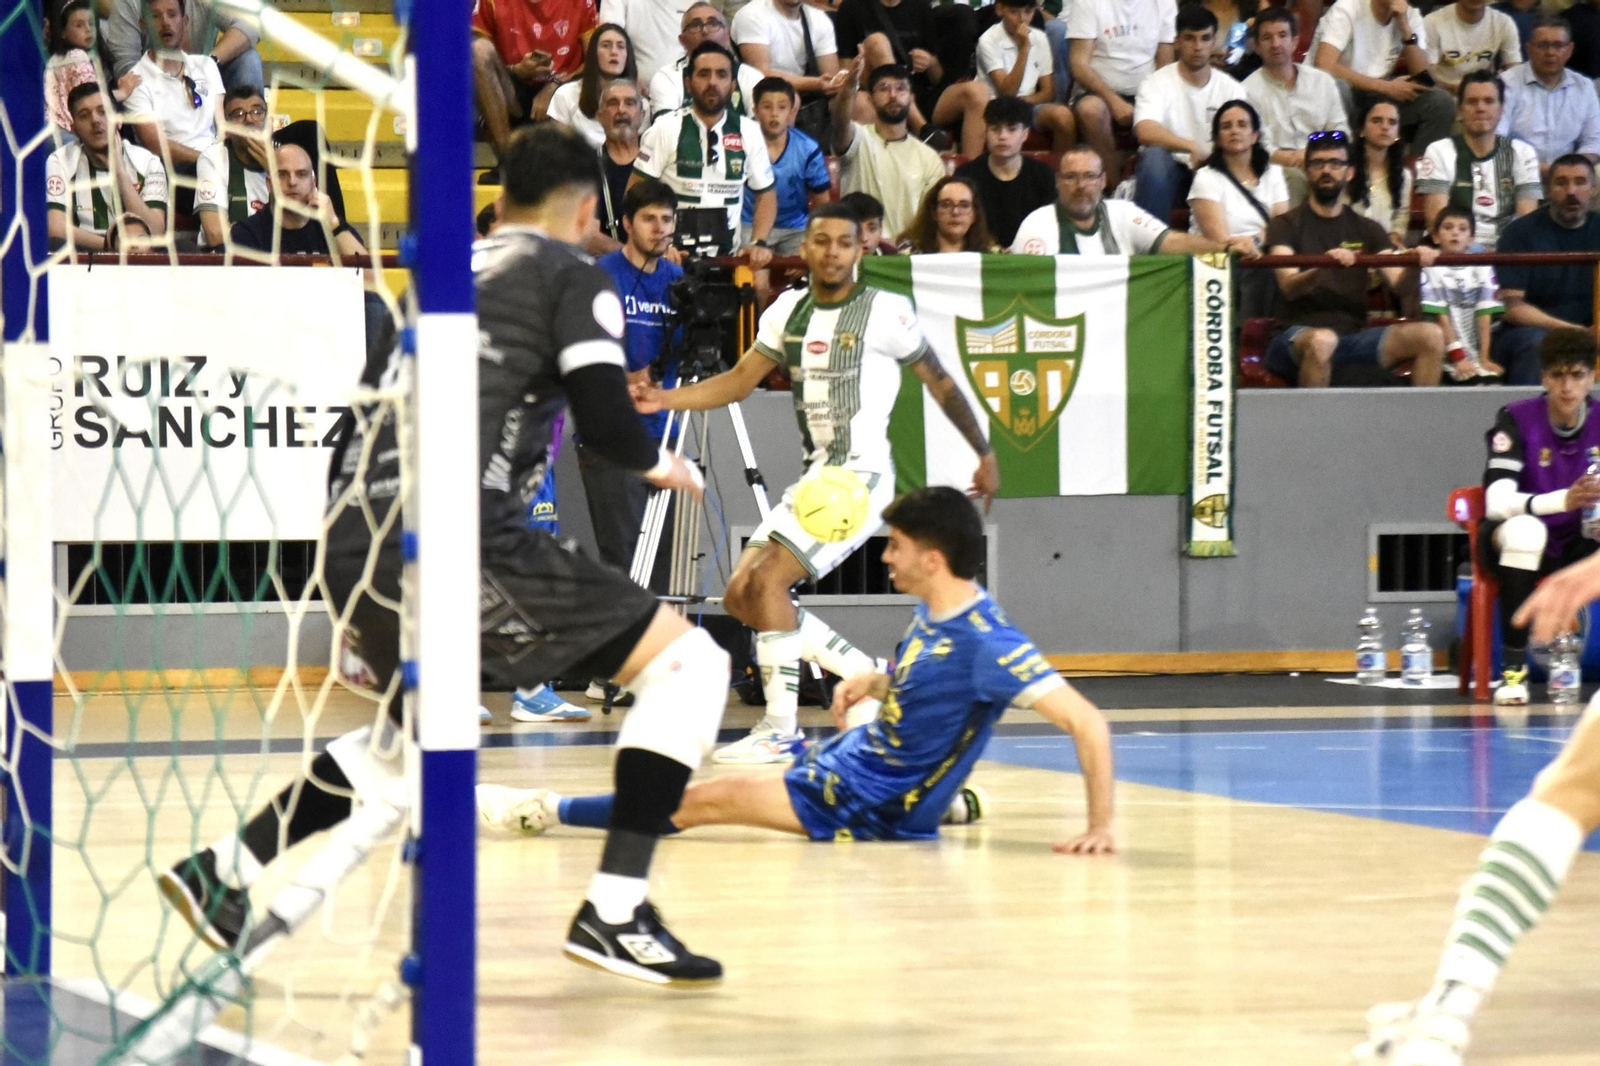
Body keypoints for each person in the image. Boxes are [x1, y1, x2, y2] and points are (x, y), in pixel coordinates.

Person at [160, 124, 729, 987]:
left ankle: (226, 870)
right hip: (459, 534)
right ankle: (615, 910)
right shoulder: (573, 273)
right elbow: (609, 426)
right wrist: (665, 461)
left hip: (355, 538)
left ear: (498, 206)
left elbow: (354, 424)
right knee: (691, 665)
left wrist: (356, 577)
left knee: (405, 744)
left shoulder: (436, 283)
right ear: (587, 214)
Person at [479, 486, 1119, 854]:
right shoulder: (937, 611)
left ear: (931, 557)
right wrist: (872, 682)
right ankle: (947, 803)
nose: (886, 557)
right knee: (741, 780)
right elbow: (934, 681)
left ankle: (541, 811)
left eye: (895, 546)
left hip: (872, 803)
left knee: (699, 800)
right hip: (861, 760)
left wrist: (1101, 826)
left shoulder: (990, 642)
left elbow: (1088, 724)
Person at [631, 202, 1002, 764]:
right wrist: (664, 397)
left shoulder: (885, 311)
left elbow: (943, 384)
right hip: (816, 480)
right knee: (740, 595)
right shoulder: (787, 311)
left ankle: (781, 728)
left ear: (861, 250)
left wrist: (983, 451)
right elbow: (736, 382)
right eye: (821, 241)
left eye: (843, 243)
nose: (831, 252)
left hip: (861, 481)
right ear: (804, 248)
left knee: (771, 585)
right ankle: (864, 671)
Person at [1350, 328, 1600, 1066]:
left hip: (1577, 543)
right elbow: (1495, 502)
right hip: (1531, 532)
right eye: (1557, 374)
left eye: (1577, 374)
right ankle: (1516, 666)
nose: (1566, 385)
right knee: (1564, 791)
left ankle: (1447, 1016)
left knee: (1561, 798)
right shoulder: (1515, 420)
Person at [1263, 131, 1446, 387]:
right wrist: (1322, 267)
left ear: (1350, 173)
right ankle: (1311, 427)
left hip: (1353, 337)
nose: (1327, 170)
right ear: (1307, 171)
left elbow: (1400, 286)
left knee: (1431, 335)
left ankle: (1421, 426)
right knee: (1323, 340)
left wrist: (1416, 263)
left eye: (1335, 164)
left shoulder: (1368, 228)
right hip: (1294, 336)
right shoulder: (1285, 224)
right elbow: (1288, 286)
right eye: (1318, 163)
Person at [589, 180, 686, 582]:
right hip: (613, 435)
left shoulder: (680, 281)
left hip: (666, 434)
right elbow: (584, 350)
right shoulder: (600, 275)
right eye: (649, 219)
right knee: (626, 567)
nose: (659, 228)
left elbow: (686, 352)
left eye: (667, 219)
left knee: (667, 570)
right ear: (627, 223)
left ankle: (662, 646)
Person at [631, 41, 778, 261]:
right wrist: (658, 243)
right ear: (688, 84)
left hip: (726, 259)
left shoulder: (749, 131)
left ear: (733, 85)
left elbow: (766, 194)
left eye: (721, 75)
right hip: (669, 257)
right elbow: (635, 193)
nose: (713, 82)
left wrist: (758, 242)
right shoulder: (665, 128)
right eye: (703, 74)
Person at [1011, 144, 1261, 255]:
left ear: (1102, 181)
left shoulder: (1123, 213)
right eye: (1071, 177)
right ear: (1058, 181)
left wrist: (1223, 248)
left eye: (1089, 177)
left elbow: (1171, 242)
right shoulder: (1037, 224)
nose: (1081, 186)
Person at [1132, 4, 1248, 224]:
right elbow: (1145, 130)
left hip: (1216, 168)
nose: (1198, 46)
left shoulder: (1232, 89)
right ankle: (1149, 247)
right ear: (1176, 42)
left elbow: (1244, 137)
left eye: (1205, 38)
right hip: (1172, 170)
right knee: (1154, 157)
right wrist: (1191, 146)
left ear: (1214, 43)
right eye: (1190, 38)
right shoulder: (1156, 82)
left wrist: (1209, 159)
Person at [1493, 155, 1600, 385]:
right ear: (1548, 190)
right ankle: (1526, 418)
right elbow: (1512, 308)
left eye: (1580, 182)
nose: (1571, 191)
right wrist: (1573, 332)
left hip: (1592, 329)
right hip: (1529, 331)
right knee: (1536, 342)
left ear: (1593, 189)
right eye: (1561, 183)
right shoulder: (1519, 233)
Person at [932, 0, 1076, 159]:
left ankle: (1061, 173)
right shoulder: (988, 40)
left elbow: (1048, 91)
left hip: (1027, 105)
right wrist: (1024, 49)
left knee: (1063, 116)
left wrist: (1023, 102)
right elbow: (1007, 91)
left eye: (1028, 12)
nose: (1021, 19)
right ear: (1000, 9)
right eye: (1014, 12)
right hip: (994, 105)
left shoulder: (1040, 38)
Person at [1416, 71, 1541, 251]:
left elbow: (1526, 221)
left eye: (1489, 101)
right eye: (1472, 102)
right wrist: (1477, 252)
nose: (1481, 108)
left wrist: (1499, 253)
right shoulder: (1439, 151)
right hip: (1455, 252)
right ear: (1459, 111)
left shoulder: (1522, 152)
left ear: (1501, 111)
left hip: (1506, 253)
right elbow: (1437, 220)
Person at [1311, 0, 1454, 154]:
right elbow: (1325, 65)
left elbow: (1425, 79)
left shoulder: (1410, 16)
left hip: (1378, 95)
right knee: (1339, 88)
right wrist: (1387, 87)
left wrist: (1405, 29)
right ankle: (1344, 162)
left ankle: (1419, 171)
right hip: (1341, 93)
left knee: (1440, 102)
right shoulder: (1348, 7)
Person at [122, 0, 224, 212]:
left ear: (184, 21)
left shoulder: (207, 66)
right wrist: (206, 160)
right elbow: (156, 143)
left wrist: (226, 156)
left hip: (216, 158)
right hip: (176, 169)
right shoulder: (136, 80)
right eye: (156, 16)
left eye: (172, 14)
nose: (165, 23)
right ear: (143, 24)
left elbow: (221, 125)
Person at [1189, 100, 1288, 316]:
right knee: (1260, 269)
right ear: (1217, 138)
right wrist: (1251, 245)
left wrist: (1253, 242)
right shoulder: (1206, 177)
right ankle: (1249, 339)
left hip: (1261, 253)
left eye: (1242, 125)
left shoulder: (1273, 173)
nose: (1235, 131)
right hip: (1220, 262)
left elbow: (1282, 226)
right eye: (1226, 126)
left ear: (1255, 135)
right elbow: (1218, 239)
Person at [830, 58, 947, 242]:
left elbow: (932, 218)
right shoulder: (858, 139)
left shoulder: (929, 158)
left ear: (911, 98)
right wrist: (849, 88)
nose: (893, 95)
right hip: (860, 250)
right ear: (870, 99)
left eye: (901, 89)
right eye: (884, 88)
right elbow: (840, 124)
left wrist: (897, 245)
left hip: (905, 255)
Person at [471, 0, 599, 167]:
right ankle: (508, 161)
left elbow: (596, 59)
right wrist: (516, 70)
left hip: (564, 88)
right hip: (512, 91)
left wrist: (555, 85)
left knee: (579, 85)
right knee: (478, 49)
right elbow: (473, 59)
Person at [1244, 6, 1349, 205]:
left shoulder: (1322, 82)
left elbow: (1340, 131)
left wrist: (1316, 152)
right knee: (1293, 178)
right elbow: (1257, 145)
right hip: (1278, 165)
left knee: (1347, 175)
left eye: (1282, 35)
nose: (1276, 44)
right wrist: (1291, 158)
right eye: (1267, 38)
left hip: (1322, 156)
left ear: (1295, 42)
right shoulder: (1246, 91)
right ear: (1257, 46)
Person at [46, 83, 168, 250]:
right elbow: (56, 229)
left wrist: (120, 173)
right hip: (86, 254)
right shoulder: (60, 161)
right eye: (84, 115)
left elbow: (155, 232)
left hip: (139, 256)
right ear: (74, 129)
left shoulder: (148, 162)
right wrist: (112, 245)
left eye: (103, 112)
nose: (95, 120)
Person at [1067, 0, 1177, 182]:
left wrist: (1150, 102)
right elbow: (1078, 64)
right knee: (1091, 110)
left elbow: (1165, 64)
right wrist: (1114, 101)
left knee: (1175, 109)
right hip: (1097, 91)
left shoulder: (1164, 3)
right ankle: (1113, 188)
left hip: (1146, 90)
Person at [1497, 17, 1600, 178]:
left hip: (1570, 175)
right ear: (1529, 49)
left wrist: (1569, 170)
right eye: (1543, 45)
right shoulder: (1506, 84)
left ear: (1570, 50)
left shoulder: (1584, 87)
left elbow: (1593, 142)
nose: (1550, 52)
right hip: (1518, 172)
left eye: (1558, 45)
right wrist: (1542, 170)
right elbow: (1497, 140)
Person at [228, 142, 366, 261]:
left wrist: (334, 225)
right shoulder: (246, 234)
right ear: (269, 184)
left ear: (313, 183)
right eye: (282, 174)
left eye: (302, 174)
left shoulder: (333, 229)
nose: (292, 182)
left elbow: (370, 281)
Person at [953, 95, 1058, 249]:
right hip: (980, 257)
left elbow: (1050, 225)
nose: (1002, 136)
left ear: (1025, 134)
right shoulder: (966, 174)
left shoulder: (1043, 175)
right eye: (995, 129)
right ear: (986, 131)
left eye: (1012, 129)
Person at [833, 0, 943, 140]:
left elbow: (937, 78)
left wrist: (930, 62)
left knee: (974, 93)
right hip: (872, 86)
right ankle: (921, 127)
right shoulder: (852, 6)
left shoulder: (921, 6)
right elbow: (846, 72)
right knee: (876, 42)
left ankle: (975, 161)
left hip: (918, 90)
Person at [1421, 204, 1505, 382]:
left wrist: (1484, 358)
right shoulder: (1431, 269)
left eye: (1462, 229)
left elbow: (1485, 315)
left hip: (1473, 354)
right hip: (1446, 357)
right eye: (1448, 227)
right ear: (1435, 236)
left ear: (1471, 239)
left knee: (1492, 382)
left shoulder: (1483, 267)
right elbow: (1440, 317)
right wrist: (1458, 357)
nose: (1455, 233)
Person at [106, 0, 261, 92]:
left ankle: (251, 139)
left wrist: (208, 63)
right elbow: (126, 68)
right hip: (152, 85)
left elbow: (251, 23)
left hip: (204, 78)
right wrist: (172, 87)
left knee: (248, 59)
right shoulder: (127, 3)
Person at [648, 3, 764, 121]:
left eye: (713, 24)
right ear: (683, 41)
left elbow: (761, 132)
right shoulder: (667, 77)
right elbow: (664, 130)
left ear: (727, 36)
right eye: (695, 25)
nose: (705, 31)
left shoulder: (750, 76)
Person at [46, 0, 137, 136]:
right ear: (63, 32)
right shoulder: (77, 56)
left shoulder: (57, 58)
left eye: (91, 24)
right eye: (79, 25)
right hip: (65, 133)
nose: (88, 29)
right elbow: (90, 99)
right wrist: (123, 92)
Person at [195, 84, 269, 248]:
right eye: (238, 114)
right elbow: (215, 235)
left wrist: (275, 172)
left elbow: (302, 227)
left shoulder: (290, 159)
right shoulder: (214, 158)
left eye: (258, 112)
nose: (249, 119)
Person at [548, 24, 637, 149]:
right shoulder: (565, 95)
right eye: (606, 45)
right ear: (593, 53)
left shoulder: (639, 104)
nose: (614, 52)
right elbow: (557, 152)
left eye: (621, 47)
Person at [732, 0, 844, 97]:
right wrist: (815, 84)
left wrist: (846, 80)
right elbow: (760, 75)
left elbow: (831, 78)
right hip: (762, 97)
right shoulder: (752, 15)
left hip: (808, 103)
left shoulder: (820, 20)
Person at [1348, 98, 1413, 246]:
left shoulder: (1404, 175)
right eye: (1377, 120)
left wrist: (1393, 239)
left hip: (1384, 249)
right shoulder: (1345, 170)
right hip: (1347, 248)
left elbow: (1400, 218)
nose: (1385, 127)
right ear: (1362, 129)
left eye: (1392, 122)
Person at [1422, 0, 1521, 96]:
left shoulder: (1504, 23)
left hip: (1485, 95)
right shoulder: (1432, 22)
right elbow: (1428, 77)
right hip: (1445, 96)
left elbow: (1514, 71)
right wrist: (1453, 88)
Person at [593, 78, 644, 250]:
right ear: (599, 117)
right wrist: (631, 257)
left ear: (643, 115)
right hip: (608, 267)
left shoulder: (660, 159)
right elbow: (588, 234)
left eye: (630, 103)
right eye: (613, 103)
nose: (621, 110)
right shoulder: (585, 167)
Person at [600, 0, 699, 87]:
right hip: (633, 89)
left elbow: (705, 43)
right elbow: (610, 36)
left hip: (685, 88)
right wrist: (631, 77)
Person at [897, 175, 998, 252]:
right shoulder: (910, 252)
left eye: (964, 205)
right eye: (946, 205)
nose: (955, 212)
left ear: (975, 214)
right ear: (934, 212)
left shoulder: (991, 255)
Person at [839, 189, 897, 255]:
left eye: (872, 229)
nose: (864, 238)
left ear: (881, 229)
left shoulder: (895, 260)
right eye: (856, 230)